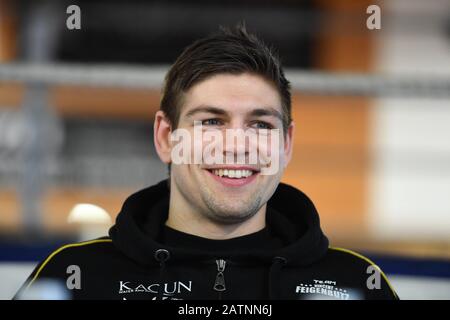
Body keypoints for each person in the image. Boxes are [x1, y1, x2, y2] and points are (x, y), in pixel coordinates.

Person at [15, 24, 398, 300]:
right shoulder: (76, 277)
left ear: (286, 143)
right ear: (166, 137)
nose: (235, 145)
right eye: (212, 121)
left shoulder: (357, 283)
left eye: (260, 123)